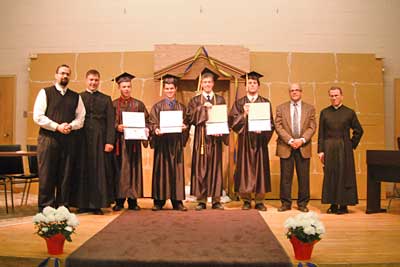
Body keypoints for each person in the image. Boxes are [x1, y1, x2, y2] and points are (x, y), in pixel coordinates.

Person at [33, 64, 85, 211]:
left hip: (68, 140)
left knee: (65, 174)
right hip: (48, 139)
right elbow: (38, 116)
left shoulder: (76, 97)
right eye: (62, 73)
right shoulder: (45, 92)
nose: (65, 76)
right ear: (56, 75)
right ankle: (46, 206)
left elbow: (81, 118)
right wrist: (57, 126)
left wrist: (70, 126)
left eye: (67, 74)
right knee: (47, 174)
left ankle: (63, 205)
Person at [71, 69, 115, 215]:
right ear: (86, 80)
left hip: (99, 139)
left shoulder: (106, 99)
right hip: (81, 139)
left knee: (98, 171)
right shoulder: (78, 97)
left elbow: (110, 122)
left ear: (99, 81)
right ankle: (81, 203)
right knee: (81, 169)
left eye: (96, 80)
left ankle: (97, 204)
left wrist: (110, 141)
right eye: (91, 80)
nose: (93, 83)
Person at [228, 71, 274, 211]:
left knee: (260, 169)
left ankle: (259, 200)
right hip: (245, 141)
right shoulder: (239, 103)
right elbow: (232, 122)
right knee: (244, 170)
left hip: (260, 142)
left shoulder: (265, 102)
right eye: (249, 83)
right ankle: (246, 200)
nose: (252, 85)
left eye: (254, 83)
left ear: (258, 86)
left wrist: (264, 130)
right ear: (246, 86)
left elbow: (271, 123)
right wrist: (244, 114)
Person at [186, 68, 229, 211]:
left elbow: (224, 118)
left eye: (210, 82)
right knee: (201, 168)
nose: (207, 84)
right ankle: (202, 200)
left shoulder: (220, 99)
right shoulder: (195, 100)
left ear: (213, 84)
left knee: (215, 168)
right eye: (205, 82)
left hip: (215, 138)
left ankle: (216, 200)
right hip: (201, 138)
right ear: (201, 84)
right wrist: (202, 108)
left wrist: (221, 132)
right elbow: (190, 117)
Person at [318, 86, 363, 214]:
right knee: (331, 175)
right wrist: (320, 151)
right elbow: (321, 133)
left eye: (336, 95)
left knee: (344, 175)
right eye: (331, 95)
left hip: (344, 148)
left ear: (341, 96)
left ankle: (343, 205)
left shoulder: (349, 112)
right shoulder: (324, 112)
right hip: (328, 147)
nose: (334, 98)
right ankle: (333, 205)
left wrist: (350, 144)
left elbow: (359, 130)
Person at [149, 74, 189, 211]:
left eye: (172, 88)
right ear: (164, 89)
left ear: (175, 89)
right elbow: (152, 123)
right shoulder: (157, 107)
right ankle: (159, 201)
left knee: (176, 172)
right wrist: (156, 129)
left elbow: (186, 123)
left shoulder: (182, 107)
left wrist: (185, 128)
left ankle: (177, 201)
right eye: (167, 88)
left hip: (176, 144)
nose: (169, 91)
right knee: (161, 172)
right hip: (162, 144)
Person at [275, 83, 316, 212]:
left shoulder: (310, 108)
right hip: (286, 146)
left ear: (301, 92)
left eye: (297, 90)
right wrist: (290, 140)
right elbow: (278, 126)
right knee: (285, 177)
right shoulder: (281, 108)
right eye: (292, 90)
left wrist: (302, 140)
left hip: (303, 147)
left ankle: (302, 204)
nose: (294, 92)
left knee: (303, 177)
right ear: (289, 92)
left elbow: (312, 127)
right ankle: (285, 203)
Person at [112, 72, 149, 211]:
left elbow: (148, 121)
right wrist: (117, 127)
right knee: (120, 171)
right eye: (124, 86)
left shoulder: (138, 104)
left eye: (128, 86)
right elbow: (109, 123)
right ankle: (119, 201)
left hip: (134, 143)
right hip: (119, 144)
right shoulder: (114, 104)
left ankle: (133, 201)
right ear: (119, 88)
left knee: (134, 170)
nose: (126, 89)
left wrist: (146, 129)